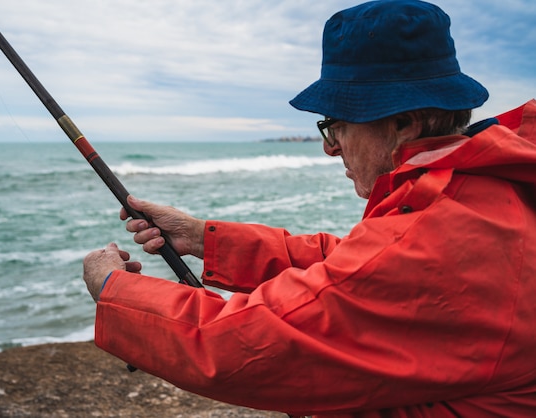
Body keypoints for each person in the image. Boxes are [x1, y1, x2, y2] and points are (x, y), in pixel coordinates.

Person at [83, 0, 536, 416]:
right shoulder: (480, 188)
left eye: (335, 125)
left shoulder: (435, 230)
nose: (330, 147)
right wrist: (204, 238)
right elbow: (350, 269)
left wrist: (113, 288)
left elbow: (240, 345)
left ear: (402, 124)